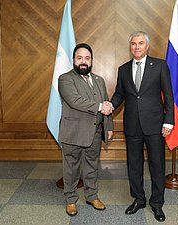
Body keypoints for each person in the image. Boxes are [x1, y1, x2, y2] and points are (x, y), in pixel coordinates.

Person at [109, 31, 174, 222]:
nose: (136, 47)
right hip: (132, 125)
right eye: (133, 44)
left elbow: (169, 96)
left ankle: (157, 204)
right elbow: (120, 94)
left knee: (157, 165)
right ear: (130, 47)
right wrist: (111, 105)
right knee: (134, 165)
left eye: (140, 43)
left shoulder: (160, 66)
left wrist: (169, 120)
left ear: (147, 46)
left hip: (155, 125)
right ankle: (138, 199)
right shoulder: (123, 69)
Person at [58, 43, 113, 216]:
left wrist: (108, 126)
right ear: (74, 60)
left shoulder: (99, 80)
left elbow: (106, 103)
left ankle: (91, 196)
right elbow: (75, 101)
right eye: (79, 58)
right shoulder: (65, 79)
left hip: (94, 133)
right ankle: (70, 200)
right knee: (71, 169)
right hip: (73, 132)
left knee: (92, 167)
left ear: (91, 61)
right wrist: (99, 106)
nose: (83, 61)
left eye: (87, 58)